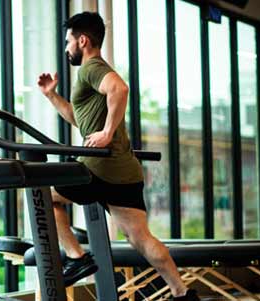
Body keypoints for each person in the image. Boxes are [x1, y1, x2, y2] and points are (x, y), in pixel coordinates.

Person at [37, 11, 200, 300]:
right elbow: (80, 120)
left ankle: (77, 258)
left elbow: (120, 88)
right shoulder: (91, 73)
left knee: (44, 196)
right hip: (124, 170)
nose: (66, 48)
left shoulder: (90, 68)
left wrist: (107, 133)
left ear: (82, 40)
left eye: (68, 42)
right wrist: (52, 95)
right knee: (141, 238)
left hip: (99, 167)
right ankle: (182, 293)